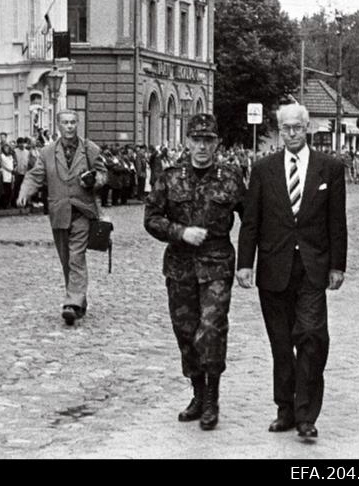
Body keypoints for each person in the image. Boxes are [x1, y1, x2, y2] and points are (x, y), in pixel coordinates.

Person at [236, 103, 347, 439]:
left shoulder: (330, 168)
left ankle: (306, 415)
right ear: (279, 129)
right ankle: (285, 408)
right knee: (281, 343)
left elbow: (336, 222)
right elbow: (251, 221)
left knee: (312, 337)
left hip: (313, 267)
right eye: (286, 128)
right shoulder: (263, 169)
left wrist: (337, 265)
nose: (292, 133)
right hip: (274, 267)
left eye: (297, 127)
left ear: (307, 127)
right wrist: (245, 263)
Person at [144, 113, 245, 431]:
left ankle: (213, 397)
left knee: (211, 328)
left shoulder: (231, 177)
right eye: (197, 140)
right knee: (186, 332)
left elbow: (252, 218)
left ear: (217, 143)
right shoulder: (170, 176)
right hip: (180, 267)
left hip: (217, 264)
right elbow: (151, 217)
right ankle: (197, 394)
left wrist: (252, 260)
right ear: (187, 142)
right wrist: (179, 231)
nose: (202, 146)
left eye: (208, 140)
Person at [17, 110, 107, 325]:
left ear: (78, 124)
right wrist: (24, 192)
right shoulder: (48, 152)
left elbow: (103, 174)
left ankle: (71, 303)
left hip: (83, 211)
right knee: (66, 259)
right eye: (65, 123)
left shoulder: (90, 149)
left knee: (76, 256)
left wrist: (94, 180)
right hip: (59, 212)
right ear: (58, 125)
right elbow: (36, 175)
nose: (69, 126)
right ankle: (78, 301)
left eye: (73, 122)